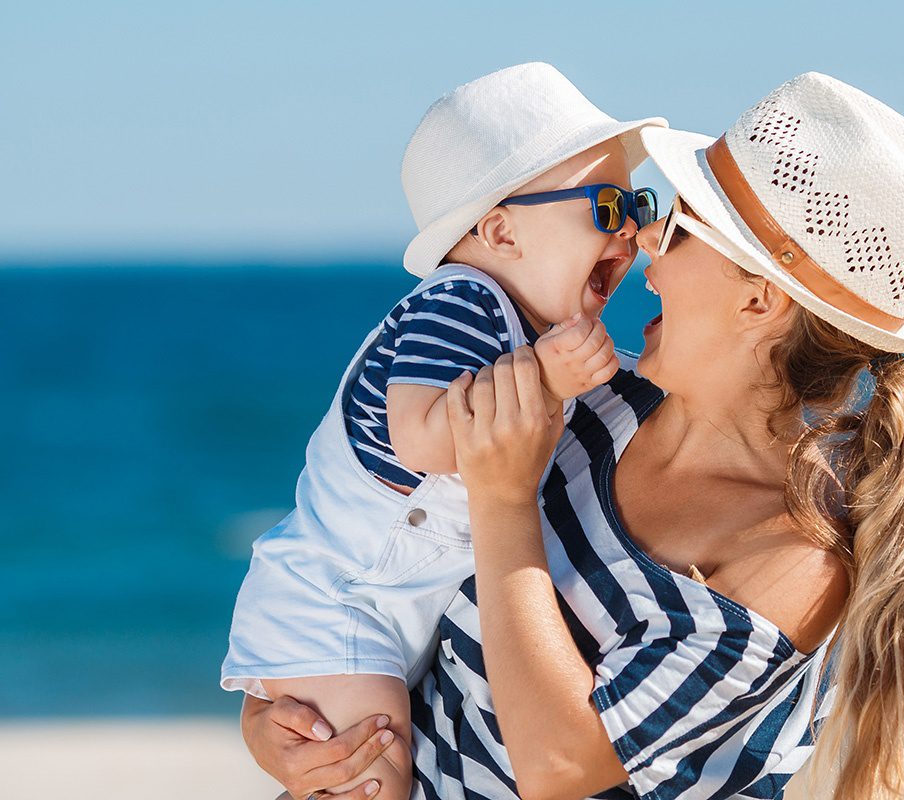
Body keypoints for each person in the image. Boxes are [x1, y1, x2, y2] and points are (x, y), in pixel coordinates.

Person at [242, 72, 904, 800]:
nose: (644, 241)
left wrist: (507, 500)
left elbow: (561, 762)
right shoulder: (602, 404)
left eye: (676, 227)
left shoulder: (792, 557)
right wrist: (282, 717)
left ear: (758, 301)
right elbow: (388, 571)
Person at [220, 62, 666, 798]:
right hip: (340, 600)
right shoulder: (464, 300)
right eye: (608, 207)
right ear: (499, 230)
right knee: (369, 776)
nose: (633, 234)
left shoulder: (521, 327)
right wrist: (549, 380)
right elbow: (422, 438)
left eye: (639, 205)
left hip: (388, 608)